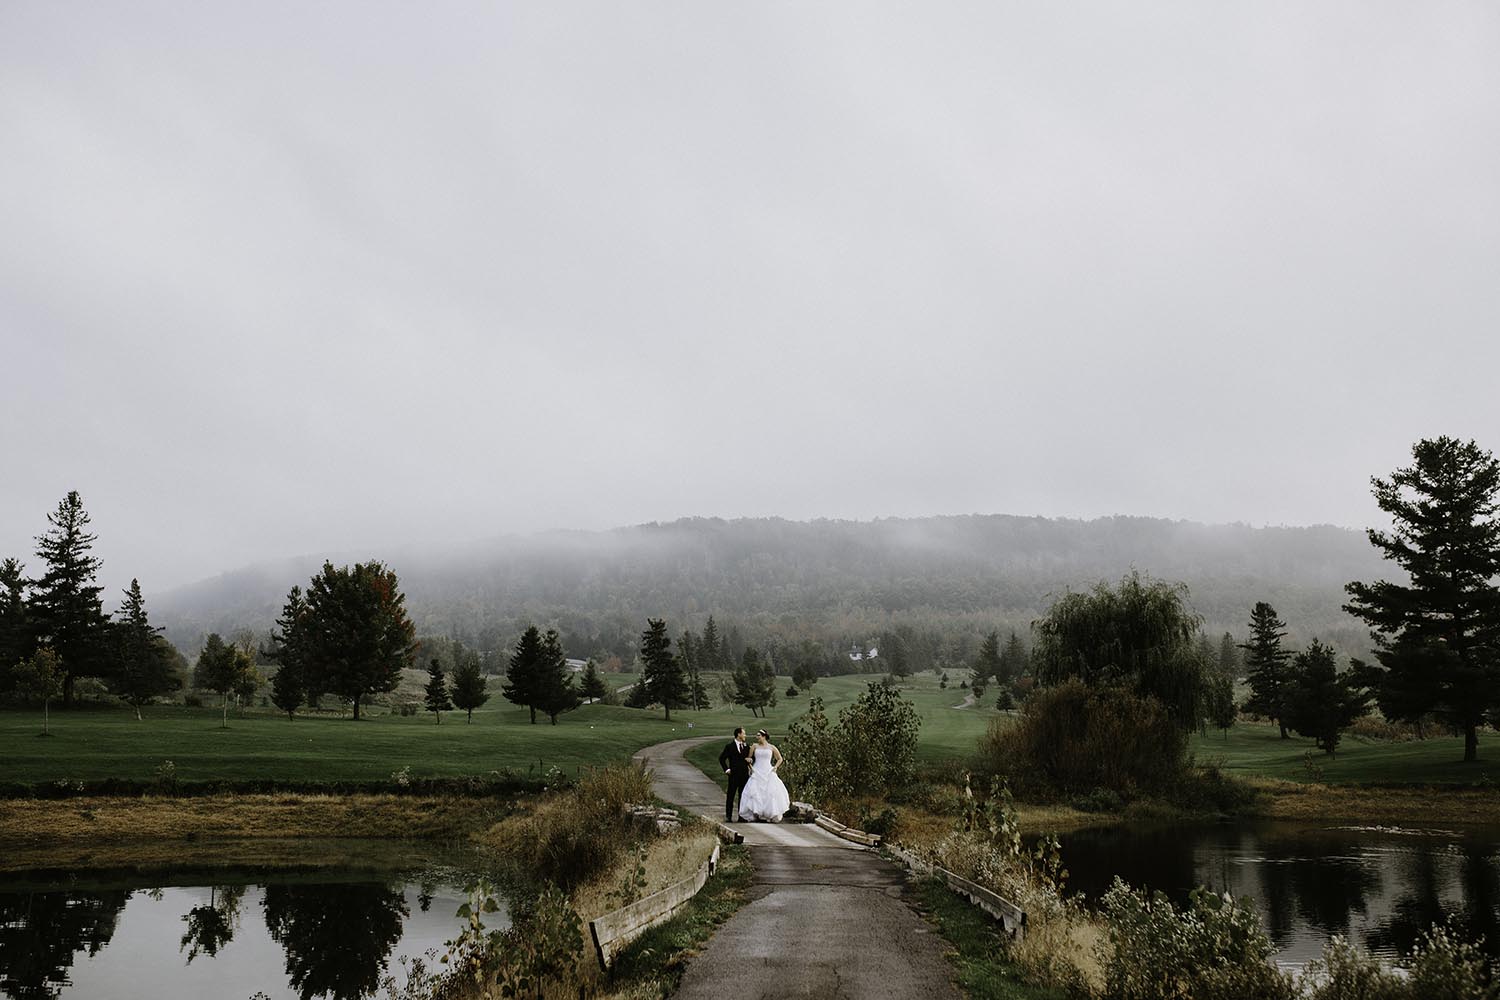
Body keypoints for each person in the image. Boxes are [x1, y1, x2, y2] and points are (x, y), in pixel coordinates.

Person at [737, 728, 790, 822]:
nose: (757, 737)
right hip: (757, 770)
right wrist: (750, 767)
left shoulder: (771, 747)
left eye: (759, 735)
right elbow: (749, 758)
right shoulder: (754, 746)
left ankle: (769, 814)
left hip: (768, 770)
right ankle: (757, 813)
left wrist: (775, 767)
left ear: (764, 736)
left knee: (770, 792)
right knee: (755, 792)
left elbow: (780, 759)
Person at [719, 726, 751, 822]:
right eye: (744, 733)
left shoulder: (746, 746)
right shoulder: (730, 746)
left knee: (742, 795)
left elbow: (751, 757)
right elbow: (722, 758)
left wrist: (751, 759)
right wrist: (727, 769)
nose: (745, 735)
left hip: (744, 775)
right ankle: (728, 816)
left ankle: (741, 816)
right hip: (733, 775)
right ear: (739, 734)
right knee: (731, 795)